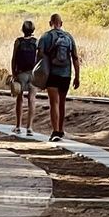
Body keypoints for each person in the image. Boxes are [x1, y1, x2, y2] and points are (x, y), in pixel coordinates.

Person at [37, 13, 80, 141]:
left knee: (53, 103)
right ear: (61, 23)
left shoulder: (46, 37)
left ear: (50, 23)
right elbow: (75, 58)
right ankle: (61, 130)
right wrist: (77, 76)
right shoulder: (69, 37)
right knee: (62, 103)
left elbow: (39, 56)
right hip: (66, 75)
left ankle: (55, 131)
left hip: (52, 75)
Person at [10, 20, 38, 135]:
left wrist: (14, 73)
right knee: (31, 99)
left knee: (19, 99)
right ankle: (30, 127)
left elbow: (14, 58)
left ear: (22, 30)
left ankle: (18, 126)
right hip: (33, 73)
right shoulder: (36, 42)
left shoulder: (18, 42)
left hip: (20, 73)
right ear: (33, 30)